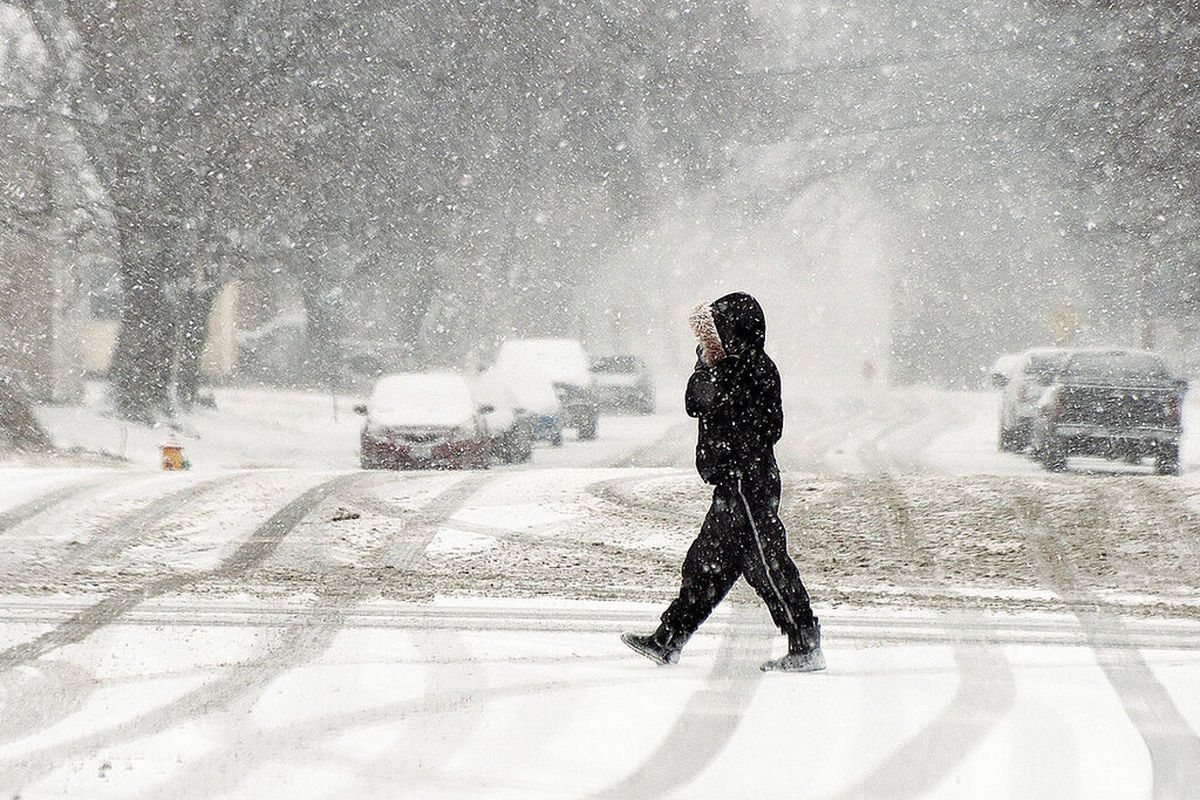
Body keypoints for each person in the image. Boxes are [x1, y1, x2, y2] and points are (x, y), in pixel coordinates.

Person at [621, 292, 825, 672]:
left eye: (716, 331)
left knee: (766, 564)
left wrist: (722, 378)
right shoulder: (722, 367)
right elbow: (695, 402)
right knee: (705, 565)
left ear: (735, 331)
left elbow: (768, 426)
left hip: (749, 481)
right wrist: (709, 364)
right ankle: (669, 639)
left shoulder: (756, 368)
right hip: (731, 484)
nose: (707, 340)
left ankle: (805, 643)